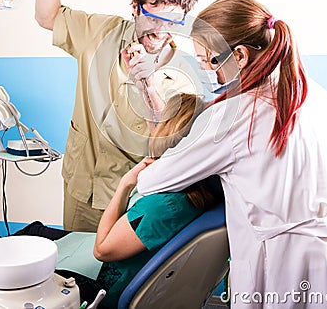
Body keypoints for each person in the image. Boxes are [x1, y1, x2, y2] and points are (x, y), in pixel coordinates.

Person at [137, 0, 327, 308]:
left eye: (208, 61)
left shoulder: (235, 116)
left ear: (240, 56)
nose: (207, 73)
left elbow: (150, 182)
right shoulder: (317, 95)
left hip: (286, 272)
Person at [35, 0, 202, 232]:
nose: (161, 30)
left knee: (117, 277)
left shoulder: (184, 76)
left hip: (130, 199)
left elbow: (167, 145)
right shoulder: (100, 32)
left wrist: (148, 84)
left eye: (173, 22)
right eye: (153, 16)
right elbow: (48, 17)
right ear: (136, 7)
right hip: (80, 186)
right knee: (72, 272)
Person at [15, 93, 221, 308]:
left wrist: (125, 185)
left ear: (167, 130)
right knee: (34, 230)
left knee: (22, 243)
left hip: (104, 280)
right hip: (125, 255)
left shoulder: (164, 205)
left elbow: (101, 250)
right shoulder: (199, 187)